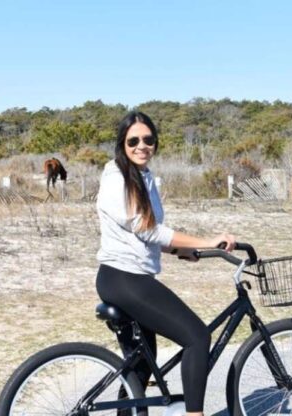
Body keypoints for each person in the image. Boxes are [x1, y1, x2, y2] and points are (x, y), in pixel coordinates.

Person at [95, 111, 235, 415]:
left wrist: (177, 251)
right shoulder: (116, 178)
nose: (142, 145)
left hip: (127, 278)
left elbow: (145, 236)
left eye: (148, 139)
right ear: (122, 144)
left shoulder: (143, 176)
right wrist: (205, 241)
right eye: (134, 140)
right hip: (125, 279)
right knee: (197, 337)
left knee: (142, 366)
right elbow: (146, 229)